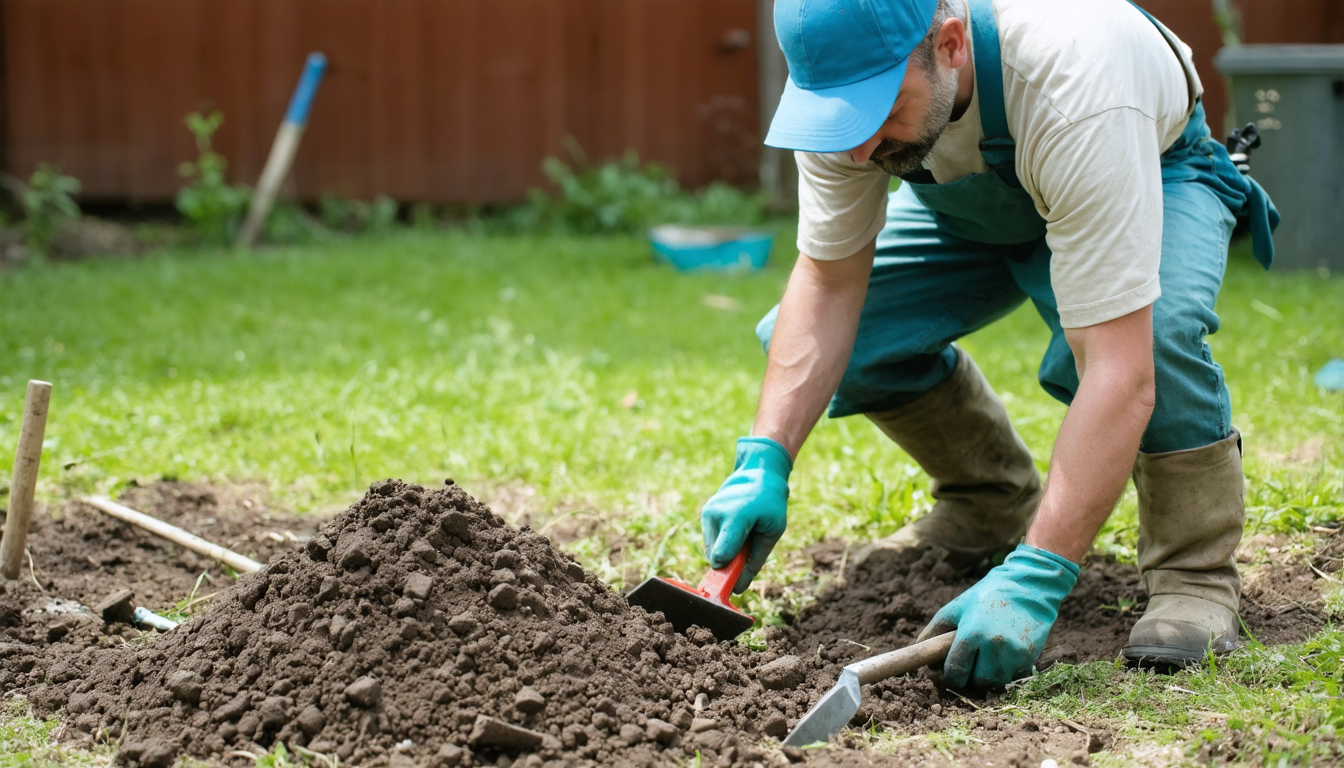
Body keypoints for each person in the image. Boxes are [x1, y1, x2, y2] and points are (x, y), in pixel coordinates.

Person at [699, 0, 1277, 689]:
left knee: (1157, 335)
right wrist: (764, 458)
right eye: (837, 117)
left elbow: (1119, 372)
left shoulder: (1073, 82)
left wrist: (1039, 576)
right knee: (835, 338)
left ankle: (1193, 572)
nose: (855, 147)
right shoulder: (851, 111)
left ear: (948, 45)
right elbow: (826, 284)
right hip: (971, 204)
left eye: (876, 110)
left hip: (1143, 167)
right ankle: (990, 503)